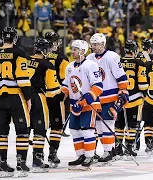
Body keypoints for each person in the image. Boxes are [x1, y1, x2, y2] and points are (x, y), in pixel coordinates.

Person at [0, 27, 31, 178]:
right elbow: (23, 78)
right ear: (15, 38)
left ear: (3, 38)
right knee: (22, 130)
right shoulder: (19, 53)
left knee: (1, 132)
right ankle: (21, 162)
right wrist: (28, 97)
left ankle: (1, 163)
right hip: (15, 97)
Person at [86, 33, 128, 165]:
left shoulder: (112, 57)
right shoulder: (89, 58)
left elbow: (121, 78)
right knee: (98, 127)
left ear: (103, 44)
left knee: (108, 125)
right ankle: (110, 150)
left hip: (110, 97)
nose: (93, 47)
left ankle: (109, 151)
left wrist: (122, 92)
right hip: (96, 97)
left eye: (96, 44)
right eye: (92, 44)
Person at [61, 40, 103, 170]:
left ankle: (89, 156)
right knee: (74, 131)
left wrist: (86, 99)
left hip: (89, 105)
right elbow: (66, 85)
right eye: (72, 48)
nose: (72, 51)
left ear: (83, 51)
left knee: (87, 130)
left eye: (75, 49)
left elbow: (98, 85)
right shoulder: (69, 66)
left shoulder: (91, 65)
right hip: (74, 106)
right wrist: (61, 95)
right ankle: (80, 156)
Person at [27, 38, 61, 172]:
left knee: (24, 130)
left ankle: (21, 160)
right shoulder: (47, 65)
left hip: (23, 98)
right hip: (38, 99)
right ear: (44, 50)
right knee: (40, 129)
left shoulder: (24, 60)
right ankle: (37, 160)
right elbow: (53, 90)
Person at [116, 40, 148, 160]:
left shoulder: (118, 61)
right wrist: (145, 94)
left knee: (119, 123)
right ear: (134, 51)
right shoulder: (139, 63)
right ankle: (129, 147)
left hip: (120, 98)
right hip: (134, 98)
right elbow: (143, 83)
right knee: (132, 124)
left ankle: (118, 147)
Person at [44, 31, 69, 167]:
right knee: (56, 127)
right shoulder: (62, 58)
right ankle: (52, 153)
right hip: (55, 96)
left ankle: (38, 155)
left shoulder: (36, 56)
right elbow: (65, 80)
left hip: (39, 97)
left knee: (39, 127)